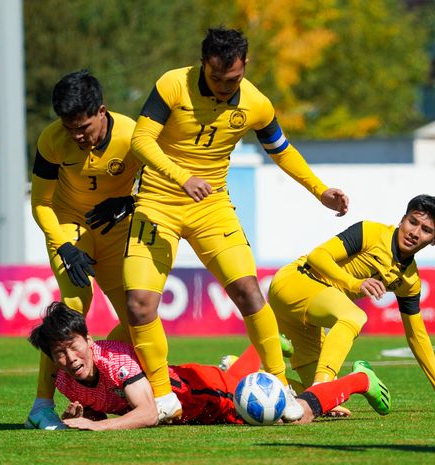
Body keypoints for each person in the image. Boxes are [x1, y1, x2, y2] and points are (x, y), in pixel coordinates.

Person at [123, 26, 349, 422]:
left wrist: (320, 191)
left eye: (234, 79)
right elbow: (141, 140)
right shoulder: (173, 84)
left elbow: (281, 149)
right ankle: (162, 399)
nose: (226, 87)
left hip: (211, 208)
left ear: (245, 65)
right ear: (203, 63)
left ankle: (280, 386)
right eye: (217, 78)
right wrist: (181, 177)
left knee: (249, 292)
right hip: (157, 203)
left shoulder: (257, 103)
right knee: (139, 305)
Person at [27, 302, 390, 430]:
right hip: (192, 400)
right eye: (58, 353)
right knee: (241, 380)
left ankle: (360, 379)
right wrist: (87, 416)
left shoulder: (115, 360)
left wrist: (98, 430)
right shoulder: (65, 380)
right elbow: (109, 405)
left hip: (201, 393)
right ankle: (261, 351)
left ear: (88, 341)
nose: (69, 359)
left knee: (290, 415)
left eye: (73, 347)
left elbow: (148, 412)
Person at [269, 195, 435, 414]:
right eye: (413, 222)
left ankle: (245, 373)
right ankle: (322, 386)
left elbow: (417, 337)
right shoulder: (371, 232)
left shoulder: (410, 281)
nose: (415, 233)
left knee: (319, 402)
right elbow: (318, 256)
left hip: (308, 310)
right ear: (402, 220)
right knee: (354, 317)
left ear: (434, 240)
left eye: (426, 230)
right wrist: (354, 283)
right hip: (295, 281)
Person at [27, 70, 142, 430]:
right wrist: (63, 244)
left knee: (138, 318)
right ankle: (41, 408)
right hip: (68, 228)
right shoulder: (51, 140)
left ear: (102, 111)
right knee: (74, 303)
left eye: (83, 127)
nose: (76, 136)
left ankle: (118, 382)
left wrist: (130, 201)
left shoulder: (134, 135)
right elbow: (41, 203)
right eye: (68, 127)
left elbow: (160, 188)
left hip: (114, 231)